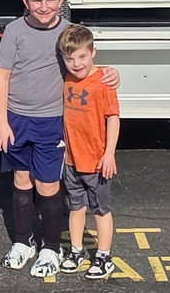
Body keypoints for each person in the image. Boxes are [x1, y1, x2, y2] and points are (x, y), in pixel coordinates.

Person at [0, 0, 118, 278]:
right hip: (16, 119)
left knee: (48, 184)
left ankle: (52, 246)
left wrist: (109, 71)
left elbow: (83, 63)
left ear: (61, 0)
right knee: (21, 180)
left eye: (50, 0)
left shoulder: (68, 31)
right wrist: (0, 123)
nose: (44, 7)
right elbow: (2, 77)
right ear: (25, 1)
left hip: (52, 121)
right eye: (37, 1)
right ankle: (24, 242)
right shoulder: (14, 32)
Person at [57, 24, 120, 280]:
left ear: (94, 52)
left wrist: (109, 153)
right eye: (69, 59)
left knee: (101, 210)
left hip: (97, 162)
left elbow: (113, 118)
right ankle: (76, 250)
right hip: (71, 160)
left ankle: (104, 256)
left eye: (82, 56)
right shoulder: (66, 79)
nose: (76, 64)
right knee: (75, 207)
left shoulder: (103, 81)